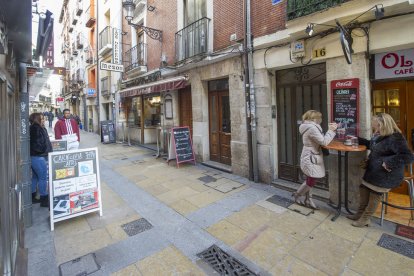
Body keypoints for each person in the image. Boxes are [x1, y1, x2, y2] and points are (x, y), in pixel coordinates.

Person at [347, 113, 414, 227]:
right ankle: (359, 214)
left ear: (383, 125)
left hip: (385, 174)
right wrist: (358, 140)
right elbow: (372, 145)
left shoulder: (396, 137)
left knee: (374, 194)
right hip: (373, 171)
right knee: (363, 189)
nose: (374, 128)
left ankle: (366, 218)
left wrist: (389, 162)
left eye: (376, 125)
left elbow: (407, 156)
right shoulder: (379, 135)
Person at [293, 110, 337, 209]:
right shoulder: (312, 128)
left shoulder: (309, 126)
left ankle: (309, 199)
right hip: (311, 156)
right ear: (314, 119)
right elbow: (324, 141)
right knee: (312, 178)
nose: (321, 119)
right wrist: (331, 130)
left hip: (310, 154)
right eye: (319, 117)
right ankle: (297, 194)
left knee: (310, 177)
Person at [30, 113, 53, 207]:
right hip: (38, 157)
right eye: (42, 118)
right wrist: (44, 150)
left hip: (35, 157)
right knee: (42, 178)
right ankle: (44, 199)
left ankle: (32, 197)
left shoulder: (35, 127)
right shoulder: (36, 128)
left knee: (35, 177)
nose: (43, 120)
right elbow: (37, 144)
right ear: (36, 119)